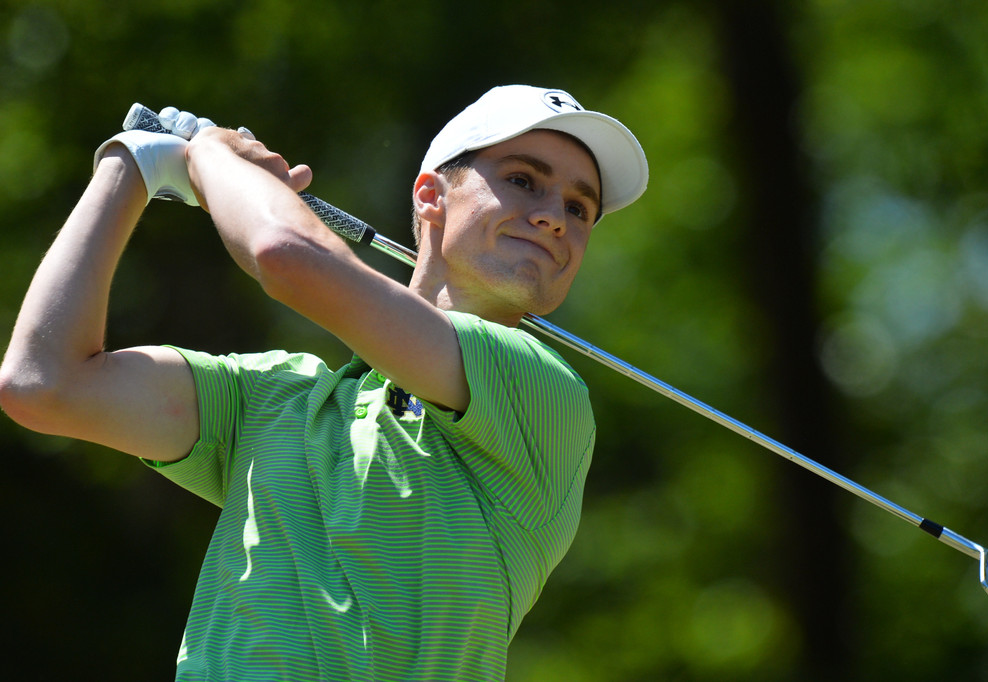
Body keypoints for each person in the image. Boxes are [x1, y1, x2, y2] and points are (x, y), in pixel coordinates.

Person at [0, 85, 648, 680]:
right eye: (522, 180)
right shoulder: (274, 399)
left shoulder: (543, 393)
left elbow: (285, 254)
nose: (555, 217)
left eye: (579, 207)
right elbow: (43, 383)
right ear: (431, 196)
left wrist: (208, 153)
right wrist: (134, 165)